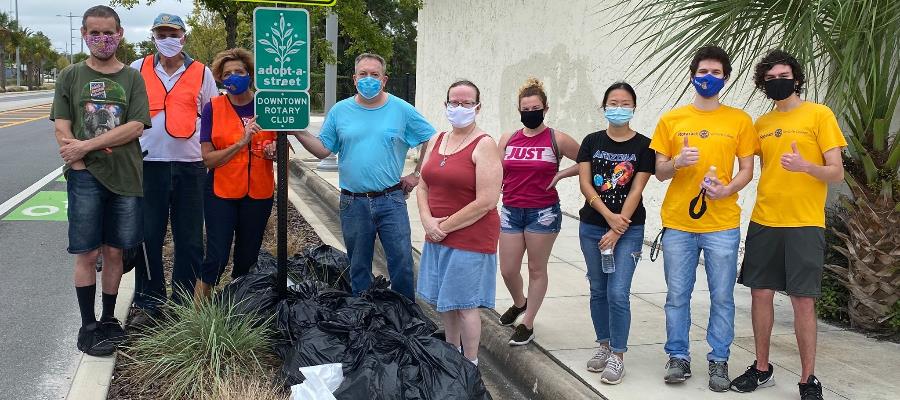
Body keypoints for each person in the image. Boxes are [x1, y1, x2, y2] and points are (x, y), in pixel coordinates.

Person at [729, 50, 846, 400]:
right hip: (765, 219)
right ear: (763, 84)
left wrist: (805, 167)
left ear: (796, 78)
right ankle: (762, 368)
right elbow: (747, 168)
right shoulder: (760, 124)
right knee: (760, 294)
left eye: (784, 76)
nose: (778, 82)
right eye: (770, 78)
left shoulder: (820, 114)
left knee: (802, 301)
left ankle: (808, 380)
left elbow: (836, 172)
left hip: (805, 223)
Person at [649, 45, 756, 392]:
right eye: (703, 71)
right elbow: (659, 171)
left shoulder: (739, 120)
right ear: (692, 74)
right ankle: (677, 356)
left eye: (715, 72)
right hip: (679, 222)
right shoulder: (671, 119)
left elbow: (747, 170)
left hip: (722, 224)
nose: (708, 78)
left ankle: (719, 361)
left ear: (725, 77)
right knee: (677, 295)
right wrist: (676, 162)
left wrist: (727, 190)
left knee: (722, 297)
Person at [294, 53, 436, 300]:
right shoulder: (340, 111)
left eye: (374, 74)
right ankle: (363, 315)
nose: (368, 79)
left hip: (391, 200)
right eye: (363, 74)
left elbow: (431, 140)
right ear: (354, 78)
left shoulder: (401, 110)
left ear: (384, 80)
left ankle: (404, 316)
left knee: (401, 262)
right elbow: (323, 149)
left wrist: (416, 175)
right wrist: (296, 130)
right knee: (358, 265)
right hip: (353, 202)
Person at [51, 5, 151, 355]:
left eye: (108, 32)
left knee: (114, 252)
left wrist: (90, 145)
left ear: (120, 34)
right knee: (87, 252)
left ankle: (109, 319)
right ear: (84, 34)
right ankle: (87, 324)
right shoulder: (70, 76)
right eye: (95, 32)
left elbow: (135, 126)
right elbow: (62, 127)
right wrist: (79, 163)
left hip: (125, 177)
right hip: (85, 178)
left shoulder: (132, 78)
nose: (102, 39)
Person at [129, 13, 219, 324]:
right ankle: (149, 301)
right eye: (161, 33)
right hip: (147, 164)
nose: (167, 38)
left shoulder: (201, 72)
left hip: (190, 166)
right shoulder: (137, 69)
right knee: (148, 235)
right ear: (153, 36)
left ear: (184, 37)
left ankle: (183, 302)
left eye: (173, 33)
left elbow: (212, 115)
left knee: (190, 238)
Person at [416, 80, 502, 366]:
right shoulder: (438, 139)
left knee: (465, 305)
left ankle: (470, 364)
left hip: (470, 238)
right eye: (454, 102)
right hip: (437, 234)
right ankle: (451, 356)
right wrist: (428, 221)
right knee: (446, 303)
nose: (459, 108)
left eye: (466, 103)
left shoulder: (485, 144)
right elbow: (423, 185)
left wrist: (443, 226)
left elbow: (487, 201)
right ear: (446, 105)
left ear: (478, 107)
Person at [577, 82, 655, 384]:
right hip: (592, 225)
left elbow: (637, 188)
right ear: (604, 106)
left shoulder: (645, 146)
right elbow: (586, 184)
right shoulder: (591, 141)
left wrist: (618, 227)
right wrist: (609, 217)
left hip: (629, 229)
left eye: (625, 103)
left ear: (634, 107)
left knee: (618, 292)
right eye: (613, 102)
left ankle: (618, 355)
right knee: (598, 289)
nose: (619, 108)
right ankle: (604, 345)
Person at [496, 77, 580, 346]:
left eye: (535, 109)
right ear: (519, 110)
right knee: (508, 269)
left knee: (535, 268)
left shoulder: (557, 138)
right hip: (510, 209)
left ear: (545, 109)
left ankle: (528, 323)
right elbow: (496, 169)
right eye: (525, 109)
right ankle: (520, 303)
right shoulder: (509, 138)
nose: (530, 113)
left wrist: (562, 174)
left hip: (542, 213)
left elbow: (588, 159)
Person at [194, 48, 280, 299]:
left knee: (248, 256)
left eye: (239, 72)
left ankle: (238, 312)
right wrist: (240, 143)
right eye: (227, 73)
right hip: (221, 193)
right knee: (216, 257)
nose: (233, 77)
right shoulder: (213, 108)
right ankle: (198, 317)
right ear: (220, 78)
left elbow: (282, 149)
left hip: (259, 193)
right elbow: (208, 158)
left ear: (250, 75)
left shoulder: (267, 106)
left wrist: (275, 150)